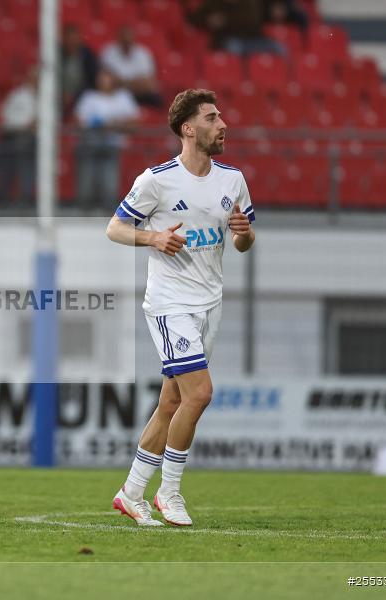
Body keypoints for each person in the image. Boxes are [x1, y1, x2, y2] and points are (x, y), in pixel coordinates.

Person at [105, 89, 255, 526]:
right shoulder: (156, 180)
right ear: (188, 129)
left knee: (172, 401)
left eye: (220, 115)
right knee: (201, 392)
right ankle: (168, 493)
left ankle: (131, 492)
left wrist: (244, 234)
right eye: (212, 117)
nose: (222, 124)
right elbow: (114, 228)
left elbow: (244, 243)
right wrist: (153, 237)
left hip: (211, 302)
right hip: (170, 304)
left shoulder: (233, 180)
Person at [73, 69, 139, 209]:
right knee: (87, 181)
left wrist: (114, 124)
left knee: (110, 182)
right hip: (90, 143)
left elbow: (134, 123)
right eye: (101, 79)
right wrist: (97, 124)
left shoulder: (123, 97)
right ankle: (84, 207)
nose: (104, 82)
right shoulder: (89, 97)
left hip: (113, 144)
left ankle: (108, 207)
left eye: (107, 78)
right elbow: (79, 121)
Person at [0, 65, 37, 206]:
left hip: (34, 140)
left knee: (28, 164)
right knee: (10, 164)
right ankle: (4, 198)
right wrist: (25, 124)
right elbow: (6, 117)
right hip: (14, 135)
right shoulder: (17, 95)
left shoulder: (47, 97)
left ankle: (25, 198)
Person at [99, 25, 162, 108]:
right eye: (124, 39)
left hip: (140, 94)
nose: (127, 42)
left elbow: (149, 82)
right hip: (117, 94)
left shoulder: (143, 53)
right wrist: (134, 83)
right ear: (118, 39)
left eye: (129, 39)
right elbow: (107, 80)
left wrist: (123, 83)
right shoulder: (108, 53)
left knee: (157, 100)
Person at [60, 23, 98, 116]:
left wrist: (76, 95)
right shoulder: (57, 54)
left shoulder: (87, 55)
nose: (72, 41)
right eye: (69, 38)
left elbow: (93, 78)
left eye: (75, 38)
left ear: (80, 39)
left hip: (82, 95)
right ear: (64, 39)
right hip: (59, 94)